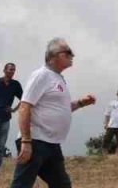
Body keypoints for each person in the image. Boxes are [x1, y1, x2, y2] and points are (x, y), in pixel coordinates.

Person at [10, 37, 96, 188]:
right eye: (68, 52)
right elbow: (25, 106)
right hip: (35, 140)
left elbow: (60, 108)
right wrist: (26, 141)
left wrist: (81, 103)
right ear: (54, 55)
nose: (72, 56)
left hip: (52, 144)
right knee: (22, 185)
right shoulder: (41, 75)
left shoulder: (59, 79)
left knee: (62, 184)